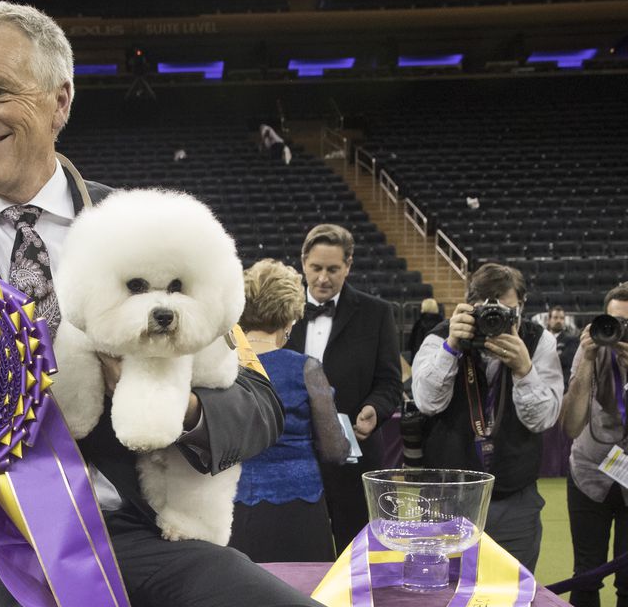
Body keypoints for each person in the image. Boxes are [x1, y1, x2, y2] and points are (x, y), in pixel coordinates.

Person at [0, 3, 367, 607]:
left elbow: (257, 405)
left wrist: (174, 402)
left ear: (60, 100)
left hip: (126, 536)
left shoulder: (152, 228)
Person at [411, 263, 564, 572]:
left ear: (521, 306)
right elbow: (427, 402)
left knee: (511, 594)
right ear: (469, 307)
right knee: (443, 592)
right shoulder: (441, 336)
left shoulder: (538, 341)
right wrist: (451, 347)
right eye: (486, 312)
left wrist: (525, 370)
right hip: (448, 497)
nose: (496, 321)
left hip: (515, 496)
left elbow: (543, 420)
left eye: (508, 312)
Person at [286, 223, 403, 553]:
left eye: (333, 269)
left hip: (356, 462)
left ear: (348, 266)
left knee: (360, 558)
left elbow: (390, 382)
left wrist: (374, 411)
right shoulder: (279, 310)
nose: (323, 278)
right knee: (299, 556)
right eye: (316, 268)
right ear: (303, 262)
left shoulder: (377, 313)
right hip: (292, 457)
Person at [230, 259, 349, 563]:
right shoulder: (306, 368)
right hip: (299, 507)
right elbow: (335, 449)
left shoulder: (222, 368)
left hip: (234, 504)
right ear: (291, 315)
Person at [560, 282, 628, 607]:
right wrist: (585, 360)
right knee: (585, 574)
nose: (620, 332)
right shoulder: (591, 353)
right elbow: (570, 426)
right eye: (614, 322)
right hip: (588, 473)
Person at [546, 306, 581, 388]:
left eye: (562, 318)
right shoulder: (542, 340)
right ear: (549, 320)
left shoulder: (572, 340)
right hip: (544, 385)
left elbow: (567, 361)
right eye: (555, 317)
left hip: (563, 386)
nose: (559, 321)